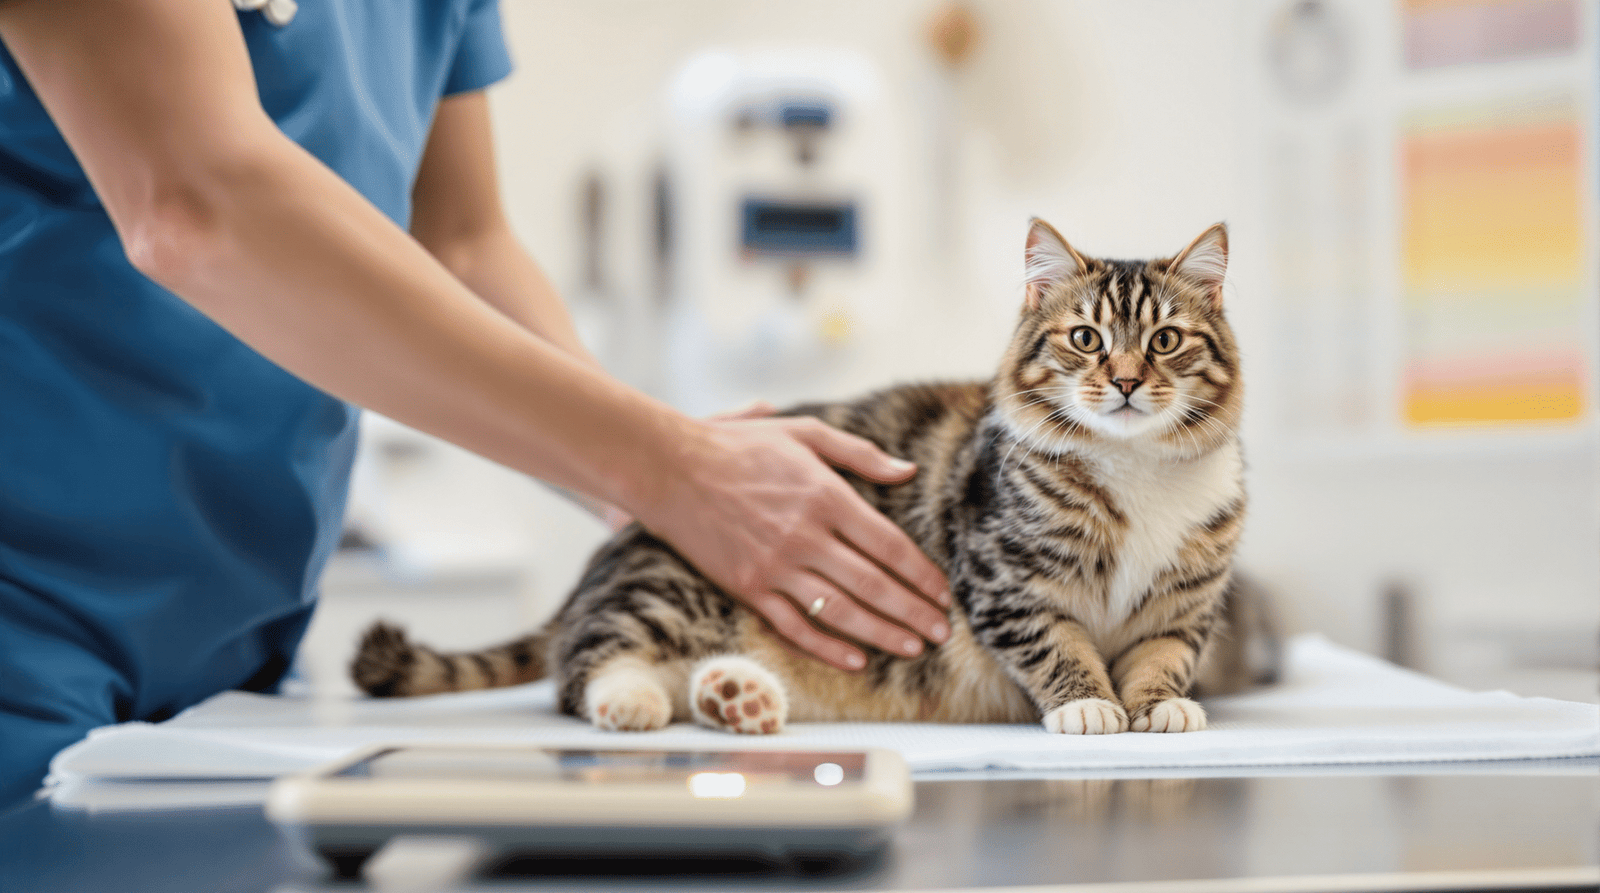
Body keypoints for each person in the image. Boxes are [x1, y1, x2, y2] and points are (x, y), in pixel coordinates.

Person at [0, 0, 950, 809]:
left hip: (225, 655)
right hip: (28, 624)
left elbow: (460, 239)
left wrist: (663, 498)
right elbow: (194, 206)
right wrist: (671, 467)